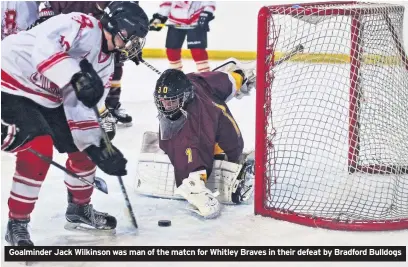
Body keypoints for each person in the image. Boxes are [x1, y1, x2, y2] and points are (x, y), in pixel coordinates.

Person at [1, 1, 149, 246]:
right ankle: (17, 223)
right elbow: (43, 50)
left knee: (86, 150)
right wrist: (75, 75)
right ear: (114, 25)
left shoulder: (106, 64)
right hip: (10, 80)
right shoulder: (79, 24)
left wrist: (98, 148)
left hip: (47, 95)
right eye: (130, 36)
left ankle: (79, 209)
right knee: (40, 148)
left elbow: (80, 109)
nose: (132, 44)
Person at [152, 60, 256, 218]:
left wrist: (195, 184)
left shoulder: (194, 123)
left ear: (185, 96)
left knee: (190, 143)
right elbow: (224, 81)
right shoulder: (194, 81)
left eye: (171, 102)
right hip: (220, 133)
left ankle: (228, 162)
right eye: (163, 101)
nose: (165, 106)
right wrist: (240, 77)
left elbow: (194, 154)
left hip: (227, 149)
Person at [149, 1, 215, 72]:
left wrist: (206, 14)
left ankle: (205, 73)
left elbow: (209, 3)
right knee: (171, 51)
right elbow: (167, 4)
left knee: (198, 51)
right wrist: (159, 18)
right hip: (175, 22)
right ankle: (175, 73)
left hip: (195, 22)